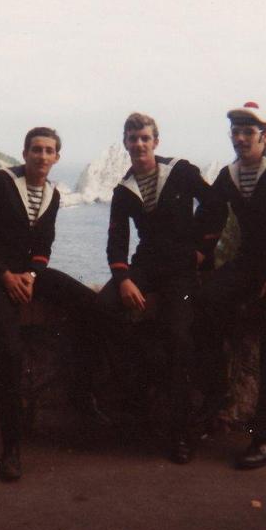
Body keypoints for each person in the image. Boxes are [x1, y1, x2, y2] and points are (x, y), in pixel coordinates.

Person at [0, 127, 109, 482]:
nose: (42, 156)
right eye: (36, 149)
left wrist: (30, 275)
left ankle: (82, 392)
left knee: (94, 307)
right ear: (25, 152)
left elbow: (43, 247)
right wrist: (6, 276)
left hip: (26, 276)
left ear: (57, 157)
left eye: (49, 151)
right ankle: (11, 450)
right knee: (10, 352)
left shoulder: (52, 195)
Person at [194, 101, 266, 469]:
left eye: (249, 132)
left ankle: (265, 439)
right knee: (203, 301)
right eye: (236, 132)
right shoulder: (230, 175)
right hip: (250, 266)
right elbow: (210, 218)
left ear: (265, 135)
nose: (241, 138)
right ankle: (215, 398)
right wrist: (198, 255)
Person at [98, 112, 215, 464]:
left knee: (180, 339)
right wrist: (123, 279)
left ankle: (181, 434)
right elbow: (117, 241)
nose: (139, 144)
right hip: (146, 265)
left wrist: (202, 249)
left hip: (181, 269)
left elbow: (215, 206)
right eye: (132, 138)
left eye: (145, 138)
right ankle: (149, 366)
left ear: (155, 142)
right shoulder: (124, 190)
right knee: (102, 308)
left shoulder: (180, 171)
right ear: (125, 143)